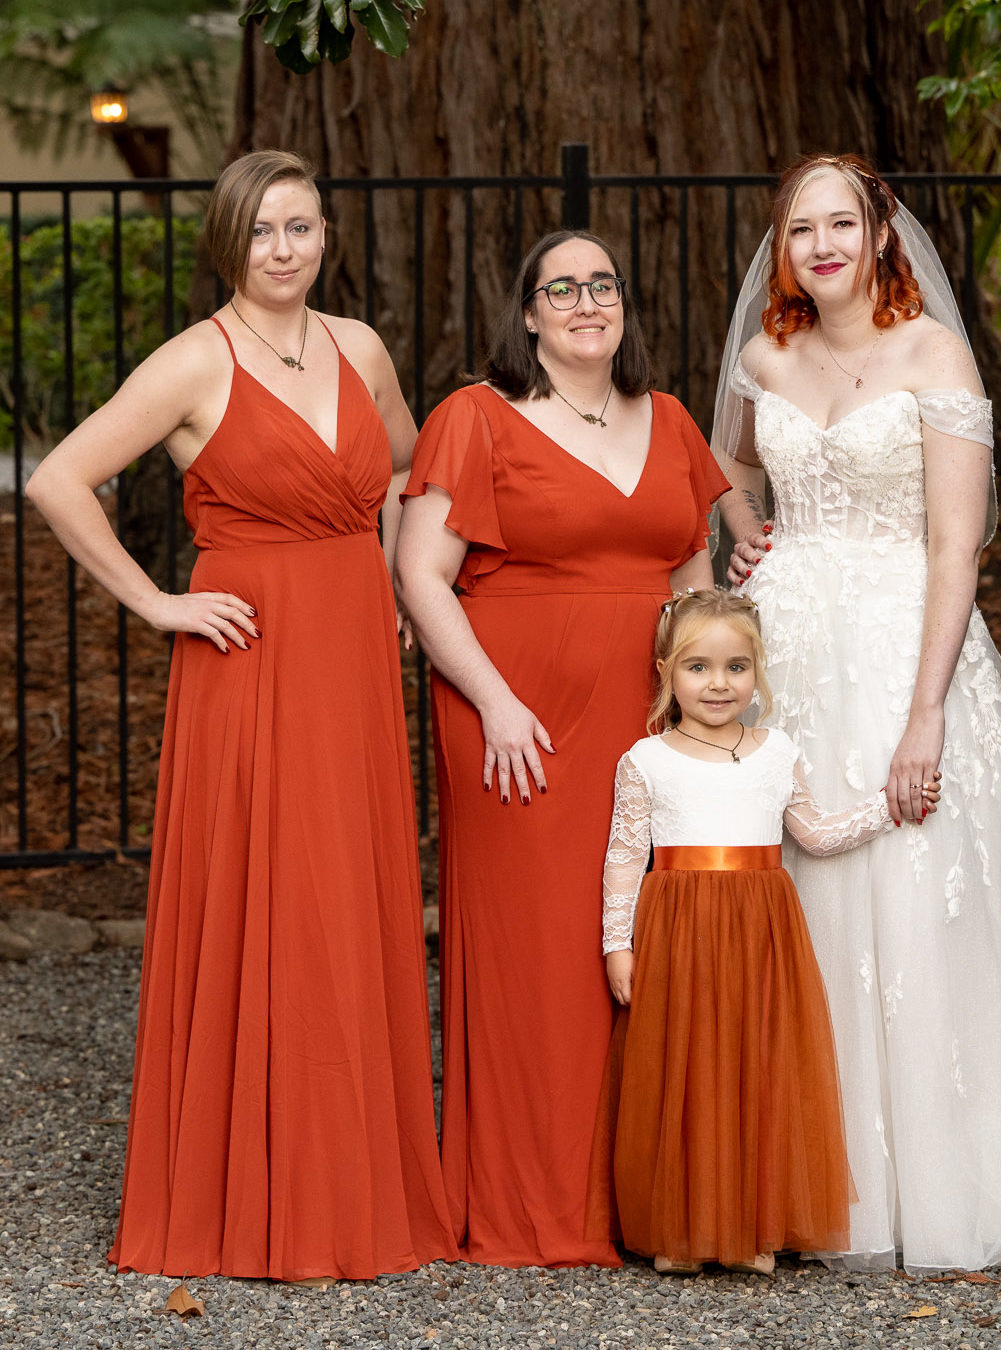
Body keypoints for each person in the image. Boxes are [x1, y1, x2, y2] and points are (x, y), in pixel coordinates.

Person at [25, 148, 453, 1283]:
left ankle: (352, 1186)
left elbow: (411, 468)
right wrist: (158, 601)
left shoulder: (360, 347)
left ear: (326, 238)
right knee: (272, 899)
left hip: (352, 653)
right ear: (229, 240)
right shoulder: (189, 364)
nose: (283, 249)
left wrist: (405, 584)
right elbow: (59, 480)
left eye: (302, 228)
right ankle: (254, 1196)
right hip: (251, 661)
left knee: (349, 901)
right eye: (263, 230)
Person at [712, 153, 1001, 1273]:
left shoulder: (933, 352)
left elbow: (956, 542)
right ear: (781, 248)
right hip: (788, 653)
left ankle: (935, 1189)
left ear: (883, 235)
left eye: (843, 224)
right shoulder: (763, 354)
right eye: (801, 230)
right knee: (802, 898)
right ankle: (802, 1181)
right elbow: (723, 455)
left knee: (922, 903)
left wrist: (927, 712)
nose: (822, 246)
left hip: (905, 651)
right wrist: (745, 523)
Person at [396, 230, 734, 1268]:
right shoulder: (477, 418)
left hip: (647, 730)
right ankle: (536, 1205)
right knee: (542, 953)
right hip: (519, 727)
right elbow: (420, 575)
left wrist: (699, 721)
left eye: (604, 284)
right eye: (563, 288)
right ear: (530, 314)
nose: (588, 301)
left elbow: (692, 583)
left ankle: (646, 1197)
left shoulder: (670, 420)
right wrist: (493, 702)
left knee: (644, 940)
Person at [593, 590, 938, 1276]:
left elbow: (814, 833)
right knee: (685, 1075)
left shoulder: (778, 753)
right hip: (681, 934)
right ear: (666, 671)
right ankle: (681, 1228)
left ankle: (752, 1226)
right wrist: (617, 944)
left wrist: (886, 809)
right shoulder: (646, 760)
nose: (718, 683)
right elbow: (625, 857)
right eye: (697, 667)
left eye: (735, 666)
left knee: (756, 1070)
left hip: (761, 935)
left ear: (758, 672)